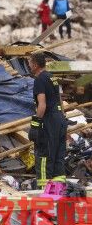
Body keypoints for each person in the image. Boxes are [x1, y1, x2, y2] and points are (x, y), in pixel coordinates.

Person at [27, 52, 67, 188]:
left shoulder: (39, 79)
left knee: (44, 156)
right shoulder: (52, 77)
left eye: (29, 62)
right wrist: (62, 117)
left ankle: (44, 191)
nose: (28, 65)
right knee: (58, 157)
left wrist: (35, 125)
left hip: (49, 121)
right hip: (60, 120)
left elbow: (42, 105)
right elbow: (59, 99)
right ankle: (59, 191)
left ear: (35, 65)